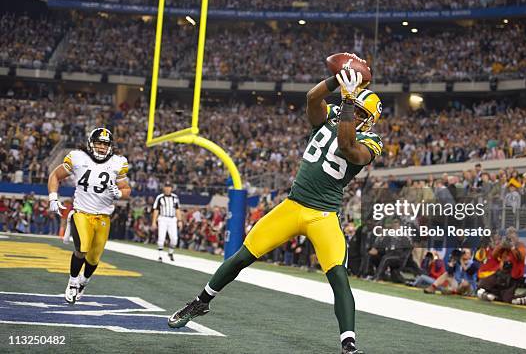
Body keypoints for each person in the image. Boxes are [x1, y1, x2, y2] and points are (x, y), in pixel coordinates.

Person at [168, 66, 383, 354]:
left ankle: (348, 343)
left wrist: (346, 102)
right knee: (242, 256)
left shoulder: (371, 142)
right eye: (354, 109)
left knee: (338, 277)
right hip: (292, 205)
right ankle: (200, 301)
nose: (355, 115)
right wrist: (337, 79)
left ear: (369, 122)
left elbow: (346, 146)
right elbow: (311, 98)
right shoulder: (332, 115)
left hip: (323, 215)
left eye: (361, 114)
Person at [47, 128, 131, 304]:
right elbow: (55, 175)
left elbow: (126, 190)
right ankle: (72, 282)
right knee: (82, 249)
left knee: (94, 258)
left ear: (110, 146)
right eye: (99, 143)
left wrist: (119, 194)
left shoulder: (118, 162)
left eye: (105, 144)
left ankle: (84, 282)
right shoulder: (78, 157)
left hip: (103, 216)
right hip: (82, 212)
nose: (101, 147)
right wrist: (53, 197)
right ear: (91, 143)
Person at [152, 181, 181, 262]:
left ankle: (170, 252)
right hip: (163, 219)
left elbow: (178, 209)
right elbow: (156, 210)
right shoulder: (160, 197)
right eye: (166, 187)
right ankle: (160, 256)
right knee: (161, 237)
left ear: (171, 188)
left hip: (172, 219)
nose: (168, 188)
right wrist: (154, 222)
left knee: (174, 239)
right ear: (164, 188)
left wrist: (180, 220)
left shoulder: (175, 197)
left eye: (169, 187)